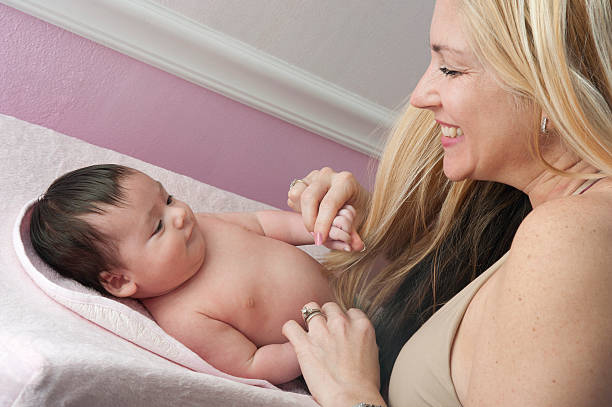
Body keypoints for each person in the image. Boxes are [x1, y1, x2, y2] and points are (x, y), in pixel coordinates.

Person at [281, 0, 612, 406]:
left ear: (549, 85)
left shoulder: (568, 238)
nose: (420, 95)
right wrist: (372, 230)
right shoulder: (530, 210)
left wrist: (351, 394)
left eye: (451, 68)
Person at [29, 164, 364, 385]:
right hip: (342, 351)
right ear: (120, 280)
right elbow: (251, 364)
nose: (178, 215)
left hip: (356, 292)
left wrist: (319, 229)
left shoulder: (202, 226)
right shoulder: (185, 317)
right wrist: (311, 349)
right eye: (158, 226)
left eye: (168, 199)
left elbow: (263, 224)